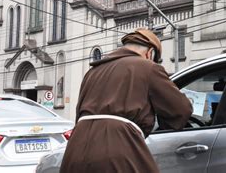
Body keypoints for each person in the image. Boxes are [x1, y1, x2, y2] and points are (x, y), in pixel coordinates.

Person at [60, 28, 192, 173]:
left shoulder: (91, 72)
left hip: (75, 150)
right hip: (118, 149)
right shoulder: (149, 67)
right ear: (150, 53)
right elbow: (181, 110)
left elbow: (79, 114)